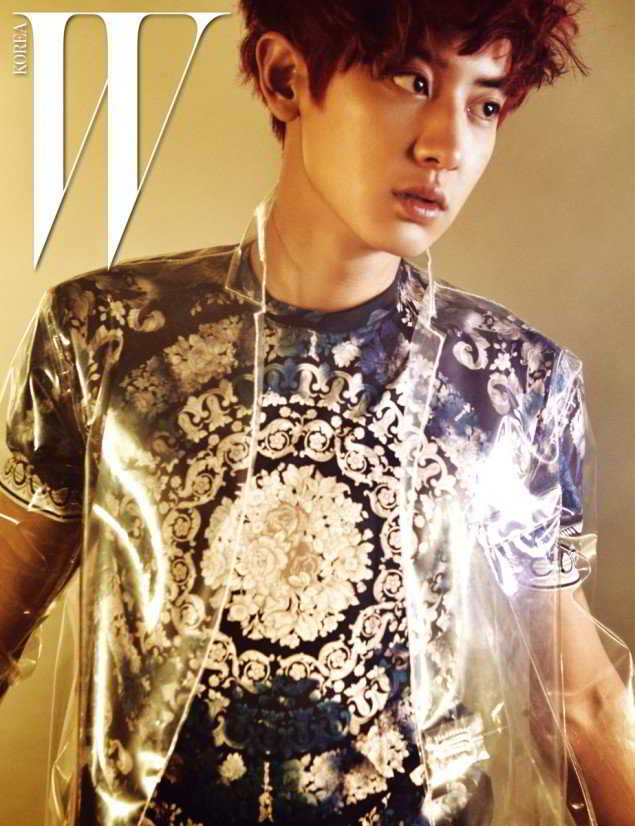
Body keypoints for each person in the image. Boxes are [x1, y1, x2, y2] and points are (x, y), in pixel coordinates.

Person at [0, 1, 633, 825]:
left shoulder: (513, 380)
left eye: (483, 104)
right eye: (411, 81)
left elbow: (578, 701)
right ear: (285, 76)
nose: (446, 146)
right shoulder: (106, 333)